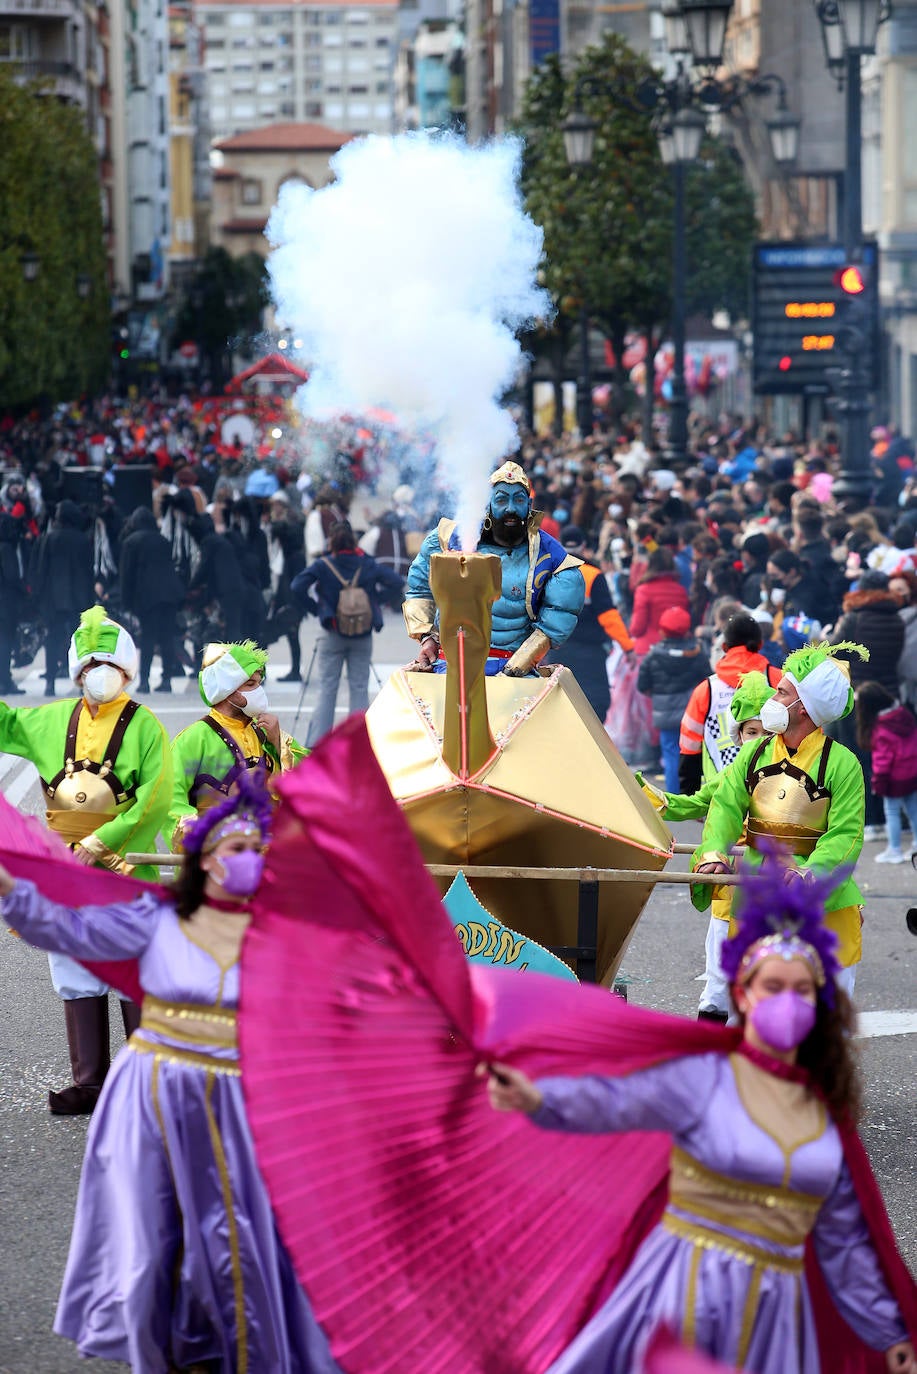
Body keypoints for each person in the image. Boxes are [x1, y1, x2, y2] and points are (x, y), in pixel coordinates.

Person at [486, 855, 916, 1374]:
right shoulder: (706, 1077)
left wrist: (889, 1333)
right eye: (772, 987)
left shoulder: (823, 1111)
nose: (788, 1001)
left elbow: (845, 1244)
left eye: (802, 990)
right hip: (680, 1303)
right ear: (742, 994)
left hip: (775, 1330)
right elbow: (617, 1100)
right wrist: (537, 1098)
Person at [0, 773, 340, 1374]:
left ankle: (239, 1344)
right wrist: (10, 888)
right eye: (238, 850)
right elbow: (67, 929)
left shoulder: (285, 937)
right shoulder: (156, 921)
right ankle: (168, 1348)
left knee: (237, 1233)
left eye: (259, 851)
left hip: (241, 1103)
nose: (251, 861)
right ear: (205, 861)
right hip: (152, 1097)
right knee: (156, 1229)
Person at [0, 606, 171, 1112]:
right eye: (90, 664)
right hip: (65, 870)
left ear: (126, 670)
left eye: (109, 664)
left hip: (124, 868)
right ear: (77, 671)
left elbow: (157, 796)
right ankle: (90, 1082)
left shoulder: (145, 725)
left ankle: (144, 1083)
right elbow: (7, 724)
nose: (99, 673)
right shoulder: (51, 720)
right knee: (73, 964)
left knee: (131, 963)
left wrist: (100, 845)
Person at [691, 640, 868, 998]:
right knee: (752, 1010)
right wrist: (713, 851)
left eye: (782, 691)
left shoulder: (844, 763)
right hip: (758, 893)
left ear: (803, 708)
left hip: (822, 904)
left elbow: (846, 835)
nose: (773, 697)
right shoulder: (755, 752)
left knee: (823, 1017)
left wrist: (811, 873)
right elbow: (725, 806)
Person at [642, 671, 776, 1022]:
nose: (758, 739)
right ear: (738, 735)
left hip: (774, 886)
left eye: (767, 732)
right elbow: (693, 803)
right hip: (730, 885)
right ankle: (713, 1031)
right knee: (719, 962)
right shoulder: (730, 775)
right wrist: (647, 796)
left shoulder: (790, 774)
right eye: (751, 731)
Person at [403, 461, 585, 677]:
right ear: (487, 504)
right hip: (449, 665)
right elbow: (419, 589)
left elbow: (560, 614)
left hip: (514, 668)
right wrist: (426, 637)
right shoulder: (447, 539)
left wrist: (523, 661)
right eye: (501, 500)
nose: (510, 508)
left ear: (529, 504)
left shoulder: (551, 556)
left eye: (518, 500)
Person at [168, 639, 307, 849]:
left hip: (267, 863)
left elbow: (312, 778)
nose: (259, 691)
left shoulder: (269, 733)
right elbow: (170, 799)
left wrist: (279, 745)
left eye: (260, 684)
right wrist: (200, 839)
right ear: (226, 689)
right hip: (215, 862)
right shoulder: (193, 739)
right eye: (250, 684)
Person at [292, 519, 404, 744]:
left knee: (327, 689)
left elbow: (297, 586)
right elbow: (396, 582)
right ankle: (359, 743)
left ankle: (318, 744)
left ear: (331, 540)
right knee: (359, 687)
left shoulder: (324, 564)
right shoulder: (366, 563)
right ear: (353, 539)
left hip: (332, 633)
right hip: (362, 634)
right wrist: (375, 602)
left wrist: (318, 610)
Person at [678, 611, 782, 794]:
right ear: (760, 644)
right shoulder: (779, 681)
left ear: (725, 646)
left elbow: (689, 746)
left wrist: (691, 792)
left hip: (720, 792)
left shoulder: (706, 690)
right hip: (776, 792)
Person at [545, 524, 635, 723]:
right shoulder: (593, 575)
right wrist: (627, 647)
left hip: (558, 651)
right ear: (584, 546)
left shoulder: (550, 574)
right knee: (594, 705)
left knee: (560, 704)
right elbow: (608, 617)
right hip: (591, 655)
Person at [636, 607, 710, 793]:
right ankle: (691, 794)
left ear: (661, 630)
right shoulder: (697, 653)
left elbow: (642, 684)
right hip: (692, 712)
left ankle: (673, 795)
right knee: (692, 753)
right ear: (686, 630)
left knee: (670, 752)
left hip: (664, 713)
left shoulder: (653, 656)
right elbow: (707, 679)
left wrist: (656, 694)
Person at [118, 506, 185, 694]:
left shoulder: (131, 542)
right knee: (167, 638)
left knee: (147, 637)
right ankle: (166, 680)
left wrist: (126, 601)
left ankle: (144, 681)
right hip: (169, 594)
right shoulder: (163, 540)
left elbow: (127, 575)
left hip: (147, 596)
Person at [31, 499, 94, 697]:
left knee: (53, 638)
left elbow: (41, 569)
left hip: (54, 597)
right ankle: (82, 682)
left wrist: (38, 597)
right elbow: (88, 570)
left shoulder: (48, 538)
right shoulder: (82, 539)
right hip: (79, 596)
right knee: (79, 641)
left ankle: (50, 682)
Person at [855, 680, 917, 865]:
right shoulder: (903, 714)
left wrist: (878, 782)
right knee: (913, 811)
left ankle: (895, 849)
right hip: (912, 772)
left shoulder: (881, 728)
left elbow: (883, 760)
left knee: (892, 812)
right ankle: (915, 845)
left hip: (893, 779)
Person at [628, 547, 691, 658]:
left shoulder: (643, 590)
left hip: (648, 650)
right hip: (677, 650)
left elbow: (637, 628)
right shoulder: (681, 591)